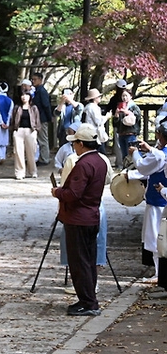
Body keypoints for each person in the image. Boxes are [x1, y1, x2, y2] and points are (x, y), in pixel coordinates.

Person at [51, 123, 108, 316]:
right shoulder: (100, 161)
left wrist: (57, 191)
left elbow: (73, 194)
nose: (73, 146)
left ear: (82, 144)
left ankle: (88, 302)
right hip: (92, 215)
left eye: (75, 143)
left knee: (79, 262)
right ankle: (88, 298)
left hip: (78, 218)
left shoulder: (83, 164)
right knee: (89, 260)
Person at [130, 125, 167, 272]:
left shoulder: (161, 154)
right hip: (160, 199)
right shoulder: (160, 152)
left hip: (158, 201)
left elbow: (143, 167)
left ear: (159, 135)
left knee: (156, 237)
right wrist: (150, 149)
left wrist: (135, 154)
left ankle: (159, 273)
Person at [9, 89, 40, 180]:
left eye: (26, 95)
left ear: (30, 96)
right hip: (19, 131)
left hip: (30, 131)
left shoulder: (33, 108)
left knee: (31, 152)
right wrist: (13, 130)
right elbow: (13, 119)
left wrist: (36, 130)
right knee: (18, 152)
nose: (24, 97)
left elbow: (37, 120)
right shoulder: (17, 107)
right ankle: (19, 172)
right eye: (22, 95)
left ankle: (33, 171)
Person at [114, 89, 141, 167]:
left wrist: (128, 112)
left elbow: (137, 118)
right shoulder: (120, 106)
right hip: (122, 133)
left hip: (131, 133)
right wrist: (116, 116)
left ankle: (132, 169)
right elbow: (116, 123)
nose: (124, 97)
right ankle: (125, 168)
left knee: (132, 154)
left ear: (130, 96)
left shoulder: (134, 107)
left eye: (126, 95)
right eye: (123, 96)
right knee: (124, 154)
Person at [30, 73, 53, 165]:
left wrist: (48, 117)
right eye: (32, 79)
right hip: (37, 118)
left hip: (42, 118)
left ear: (40, 80)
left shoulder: (42, 91)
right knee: (39, 139)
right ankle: (42, 157)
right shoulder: (36, 91)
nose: (33, 81)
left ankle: (45, 159)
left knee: (43, 139)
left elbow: (46, 105)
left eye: (35, 79)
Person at [82, 87, 111, 156]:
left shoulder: (88, 107)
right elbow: (98, 121)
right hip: (95, 134)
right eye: (99, 97)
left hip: (91, 133)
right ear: (95, 98)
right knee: (101, 154)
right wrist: (106, 117)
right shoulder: (92, 107)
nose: (100, 98)